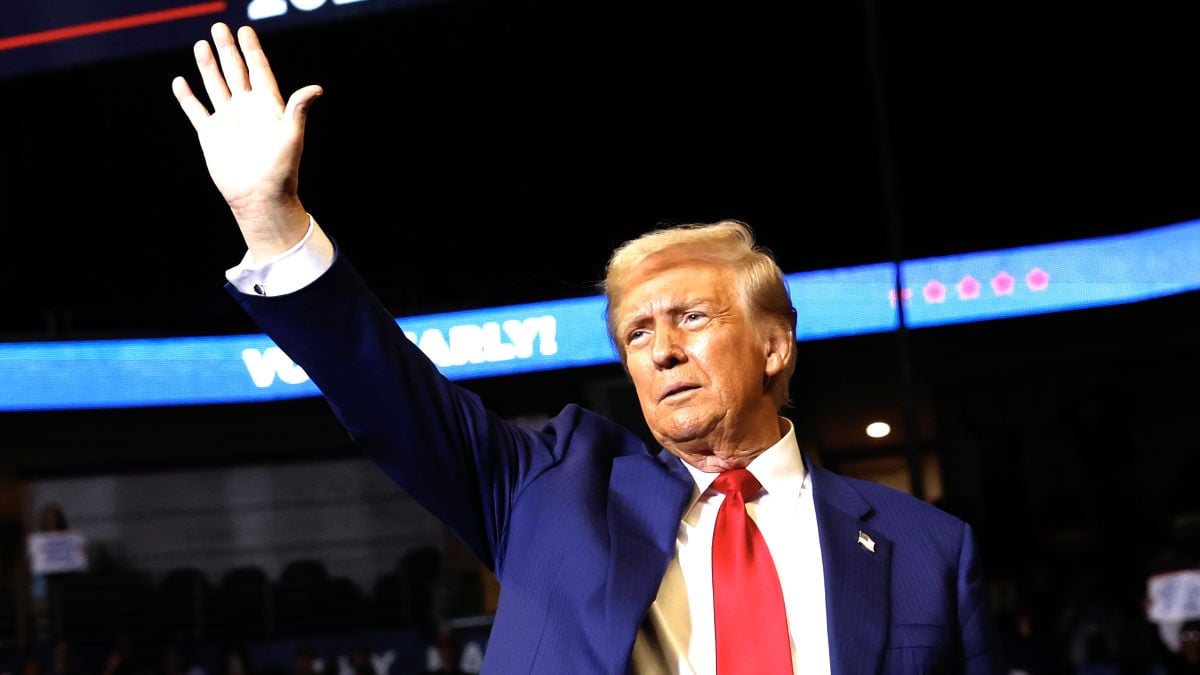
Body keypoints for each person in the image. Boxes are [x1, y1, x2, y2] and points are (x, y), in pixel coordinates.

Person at [172, 22, 1004, 673]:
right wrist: (271, 221)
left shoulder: (928, 547)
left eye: (693, 318)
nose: (662, 350)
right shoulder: (549, 489)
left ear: (775, 346)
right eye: (637, 333)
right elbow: (388, 396)